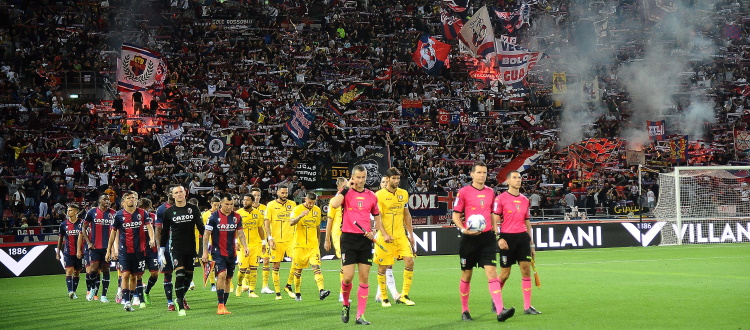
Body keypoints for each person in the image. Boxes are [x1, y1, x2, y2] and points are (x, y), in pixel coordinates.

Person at [452, 161, 514, 322]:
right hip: (469, 238)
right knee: (467, 274)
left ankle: (500, 310)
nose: (482, 176)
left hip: (487, 238)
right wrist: (463, 229)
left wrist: (497, 233)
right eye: (479, 172)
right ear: (472, 174)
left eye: (485, 173)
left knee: (492, 272)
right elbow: (456, 215)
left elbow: (494, 214)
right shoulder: (464, 192)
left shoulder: (490, 192)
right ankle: (465, 311)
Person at [329, 165, 386, 325]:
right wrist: (346, 187)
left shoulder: (371, 196)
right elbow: (333, 204)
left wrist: (374, 231)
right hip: (348, 239)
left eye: (363, 178)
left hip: (365, 240)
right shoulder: (346, 193)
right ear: (352, 177)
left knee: (364, 277)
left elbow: (377, 217)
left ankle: (360, 316)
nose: (361, 181)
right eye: (358, 177)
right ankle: (346, 304)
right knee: (347, 278)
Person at [493, 171, 541, 316]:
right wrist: (499, 238)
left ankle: (527, 307)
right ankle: (496, 299)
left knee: (526, 270)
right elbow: (494, 221)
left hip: (522, 238)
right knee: (505, 274)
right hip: (507, 238)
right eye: (514, 177)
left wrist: (531, 244)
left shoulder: (525, 200)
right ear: (508, 181)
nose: (518, 180)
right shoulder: (500, 199)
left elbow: (527, 222)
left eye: (520, 177)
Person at [105, 191, 156, 311]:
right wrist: (109, 251)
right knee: (125, 274)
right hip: (124, 251)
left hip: (139, 251)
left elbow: (149, 227)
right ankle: (126, 301)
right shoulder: (118, 215)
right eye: (129, 198)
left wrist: (152, 239)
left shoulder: (142, 213)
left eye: (133, 197)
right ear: (124, 201)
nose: (132, 199)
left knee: (135, 276)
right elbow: (113, 234)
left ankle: (131, 298)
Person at [159, 185, 204, 317]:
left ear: (185, 194)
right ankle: (179, 303)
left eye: (181, 192)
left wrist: (207, 245)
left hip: (190, 247)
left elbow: (201, 228)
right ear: (172, 195)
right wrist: (161, 250)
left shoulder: (193, 209)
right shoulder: (168, 212)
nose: (179, 194)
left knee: (189, 277)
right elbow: (165, 232)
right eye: (176, 193)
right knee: (180, 274)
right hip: (176, 247)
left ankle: (180, 296)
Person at [374, 168, 416, 307]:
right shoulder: (379, 195)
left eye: (398, 178)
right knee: (383, 267)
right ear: (388, 179)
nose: (397, 181)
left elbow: (406, 214)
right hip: (385, 237)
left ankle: (404, 295)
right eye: (394, 178)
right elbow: (377, 218)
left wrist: (410, 234)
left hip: (400, 235)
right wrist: (385, 234)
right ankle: (384, 297)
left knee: (409, 261)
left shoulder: (403, 194)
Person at [202, 194, 249, 315]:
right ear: (221, 204)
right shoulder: (213, 217)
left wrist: (245, 246)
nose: (229, 207)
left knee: (228, 278)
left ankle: (224, 304)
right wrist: (205, 252)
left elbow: (241, 233)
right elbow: (206, 235)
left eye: (231, 204)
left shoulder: (237, 217)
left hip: (232, 252)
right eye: (227, 204)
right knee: (222, 275)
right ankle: (220, 305)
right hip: (218, 252)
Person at [289, 191, 331, 301]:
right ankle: (297, 293)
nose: (311, 205)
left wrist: (318, 241)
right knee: (298, 271)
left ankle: (321, 291)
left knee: (316, 267)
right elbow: (291, 222)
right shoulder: (297, 209)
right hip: (299, 245)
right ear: (305, 200)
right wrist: (300, 216)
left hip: (313, 245)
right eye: (309, 202)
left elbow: (317, 227)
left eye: (313, 203)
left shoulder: (317, 210)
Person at [78, 195, 116, 303]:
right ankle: (92, 289)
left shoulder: (113, 213)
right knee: (93, 270)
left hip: (107, 247)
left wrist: (113, 249)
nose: (107, 201)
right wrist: (88, 242)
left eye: (108, 199)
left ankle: (104, 295)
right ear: (99, 200)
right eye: (105, 199)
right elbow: (84, 227)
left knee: (106, 270)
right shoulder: (92, 212)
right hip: (94, 247)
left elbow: (117, 230)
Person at [264, 185, 297, 300]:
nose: (284, 195)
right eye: (282, 193)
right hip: (276, 240)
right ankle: (278, 293)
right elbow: (267, 223)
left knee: (296, 263)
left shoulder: (293, 204)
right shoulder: (271, 205)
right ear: (277, 192)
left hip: (290, 239)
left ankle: (288, 285)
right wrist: (270, 238)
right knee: (276, 266)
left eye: (286, 193)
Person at [374, 176, 400, 304]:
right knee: (385, 265)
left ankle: (380, 294)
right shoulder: (376, 198)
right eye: (383, 182)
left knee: (387, 265)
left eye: (386, 182)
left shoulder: (392, 198)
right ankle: (394, 293)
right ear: (380, 184)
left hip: (392, 235)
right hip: (379, 236)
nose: (385, 184)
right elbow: (372, 219)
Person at [235, 193, 265, 297]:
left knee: (254, 268)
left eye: (247, 200)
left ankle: (251, 291)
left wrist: (264, 243)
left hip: (256, 244)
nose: (245, 202)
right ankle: (239, 285)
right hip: (243, 245)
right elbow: (235, 230)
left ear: (252, 202)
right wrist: (235, 242)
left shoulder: (258, 214)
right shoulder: (238, 214)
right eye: (244, 200)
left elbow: (260, 229)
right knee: (242, 269)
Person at [324, 177, 348, 302]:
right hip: (338, 235)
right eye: (345, 186)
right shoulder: (334, 201)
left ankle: (344, 292)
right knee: (344, 263)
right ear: (339, 188)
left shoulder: (349, 200)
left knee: (348, 264)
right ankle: (342, 294)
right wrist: (327, 239)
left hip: (349, 234)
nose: (347, 188)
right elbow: (330, 220)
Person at [154, 187, 177, 311]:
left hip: (181, 245)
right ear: (168, 193)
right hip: (167, 245)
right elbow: (158, 230)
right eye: (173, 192)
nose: (176, 194)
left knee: (183, 273)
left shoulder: (185, 207)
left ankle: (180, 298)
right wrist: (160, 249)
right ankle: (170, 302)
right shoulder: (161, 209)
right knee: (168, 273)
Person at [57, 203, 83, 299]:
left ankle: (74, 291)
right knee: (69, 271)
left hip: (79, 252)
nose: (68, 212)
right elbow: (60, 239)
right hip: (68, 251)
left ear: (76, 212)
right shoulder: (63, 224)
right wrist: (58, 252)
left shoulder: (82, 223)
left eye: (70, 210)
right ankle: (70, 291)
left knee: (76, 272)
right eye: (68, 210)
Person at [139, 198, 160, 306]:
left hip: (152, 250)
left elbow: (158, 230)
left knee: (155, 274)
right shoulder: (135, 217)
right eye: (142, 208)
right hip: (139, 249)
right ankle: (139, 298)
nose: (144, 210)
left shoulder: (153, 217)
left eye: (146, 208)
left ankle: (146, 291)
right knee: (138, 274)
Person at [201, 197, 221, 291]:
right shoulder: (205, 215)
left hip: (219, 242)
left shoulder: (221, 214)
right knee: (211, 263)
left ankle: (219, 281)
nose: (216, 207)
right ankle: (212, 284)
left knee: (219, 263)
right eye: (214, 205)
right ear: (211, 204)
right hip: (210, 242)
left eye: (218, 205)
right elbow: (204, 230)